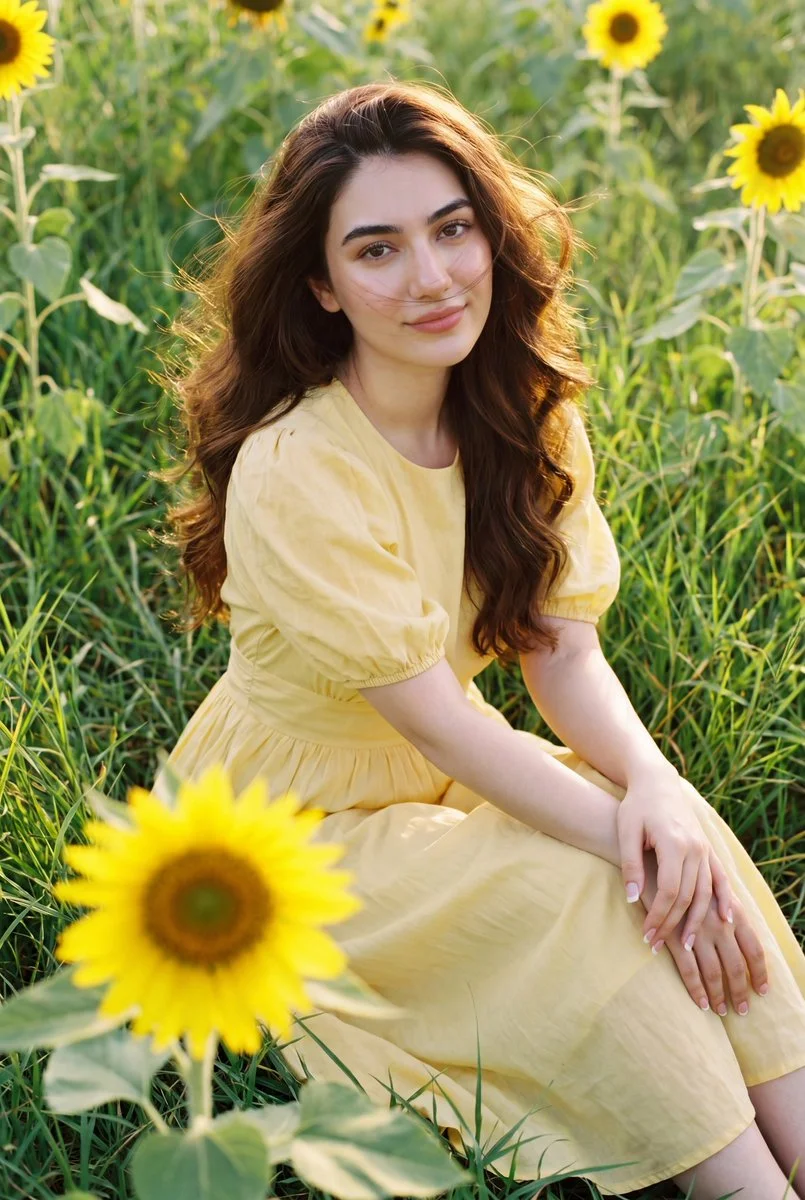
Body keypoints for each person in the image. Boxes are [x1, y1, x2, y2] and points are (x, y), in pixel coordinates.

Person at [151, 80, 805, 1197]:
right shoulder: (297, 467)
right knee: (595, 895)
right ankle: (738, 1183)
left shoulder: (518, 408)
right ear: (320, 285)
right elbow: (447, 724)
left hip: (439, 782)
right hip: (288, 831)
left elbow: (559, 650)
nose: (433, 277)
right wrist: (622, 846)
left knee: (679, 841)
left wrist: (647, 789)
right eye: (378, 250)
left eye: (452, 230)